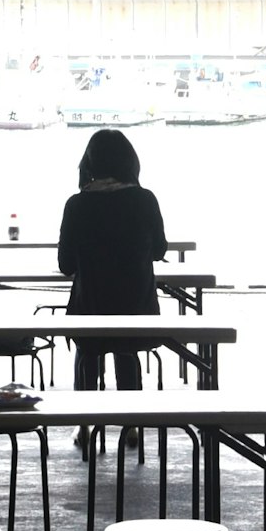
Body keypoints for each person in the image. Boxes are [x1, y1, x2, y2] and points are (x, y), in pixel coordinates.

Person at [57, 127, 172, 425]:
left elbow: (66, 264)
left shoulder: (77, 204)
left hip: (89, 307)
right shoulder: (146, 200)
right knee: (127, 351)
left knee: (87, 353)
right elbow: (159, 250)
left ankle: (84, 425)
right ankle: (131, 424)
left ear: (90, 164)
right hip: (136, 309)